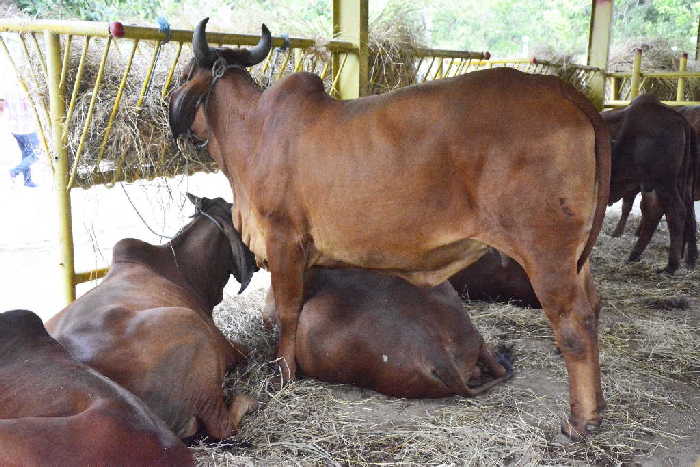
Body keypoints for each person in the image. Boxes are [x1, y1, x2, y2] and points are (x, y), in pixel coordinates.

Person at [0, 86, 39, 188]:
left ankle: (27, 181)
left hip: (15, 129)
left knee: (26, 154)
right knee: (38, 153)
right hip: (28, 128)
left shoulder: (6, 89)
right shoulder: (26, 85)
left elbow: (1, 107)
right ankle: (14, 171)